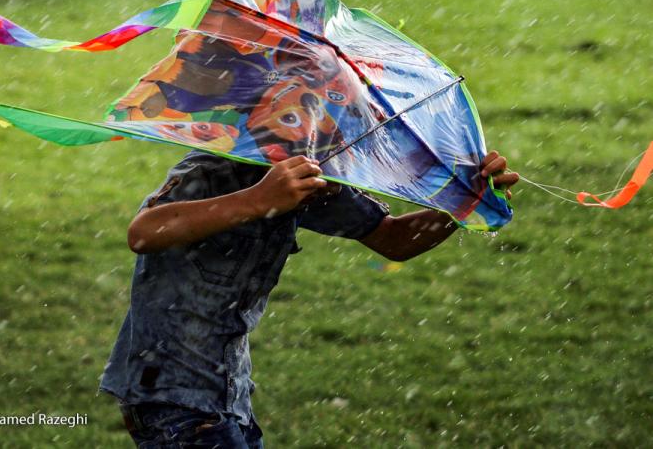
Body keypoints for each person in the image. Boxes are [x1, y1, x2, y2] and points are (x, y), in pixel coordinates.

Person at [100, 149, 518, 448]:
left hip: (229, 396)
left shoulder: (312, 178)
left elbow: (394, 239)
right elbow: (145, 232)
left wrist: (466, 203)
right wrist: (258, 199)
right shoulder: (210, 167)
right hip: (170, 398)